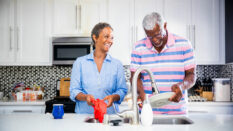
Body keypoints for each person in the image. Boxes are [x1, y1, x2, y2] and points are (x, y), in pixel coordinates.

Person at [130, 12, 196, 115]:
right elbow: (134, 77)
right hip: (148, 113)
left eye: (157, 34)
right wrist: (143, 97)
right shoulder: (138, 48)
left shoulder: (184, 44)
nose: (155, 40)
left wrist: (181, 86)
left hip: (177, 113)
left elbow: (191, 76)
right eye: (150, 37)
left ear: (164, 25)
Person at [70, 22, 128, 114]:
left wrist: (113, 97)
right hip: (84, 117)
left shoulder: (117, 64)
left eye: (112, 38)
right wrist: (85, 97)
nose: (110, 41)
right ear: (95, 37)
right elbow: (74, 90)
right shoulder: (80, 63)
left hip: (109, 116)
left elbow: (122, 90)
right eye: (106, 36)